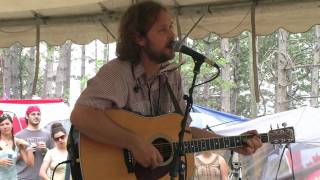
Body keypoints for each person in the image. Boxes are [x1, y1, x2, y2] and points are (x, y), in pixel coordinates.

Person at [71, 0, 262, 175]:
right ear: (139, 38)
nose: (173, 36)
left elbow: (184, 133)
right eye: (163, 30)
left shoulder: (172, 77)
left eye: (171, 27)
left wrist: (233, 143)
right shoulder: (119, 73)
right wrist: (134, 142)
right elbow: (81, 115)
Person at [16, 106, 55, 180]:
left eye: (38, 114)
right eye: (33, 114)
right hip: (22, 177)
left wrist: (45, 150)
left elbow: (55, 156)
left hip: (41, 177)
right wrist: (26, 152)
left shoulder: (48, 134)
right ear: (27, 116)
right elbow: (11, 159)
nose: (36, 116)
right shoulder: (18, 136)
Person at [0, 113, 34, 180]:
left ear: (12, 125)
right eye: (2, 124)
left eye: (7, 124)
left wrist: (29, 146)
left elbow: (30, 164)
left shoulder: (18, 142)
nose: (5, 126)